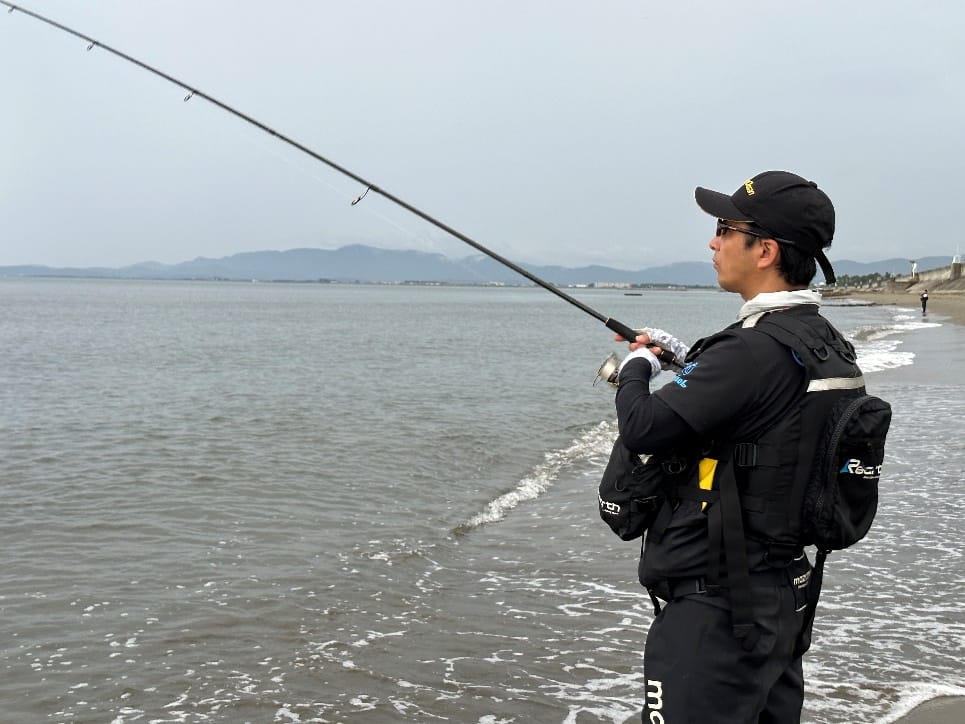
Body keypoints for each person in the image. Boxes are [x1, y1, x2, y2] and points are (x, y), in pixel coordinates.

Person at [613, 171, 854, 723]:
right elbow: (761, 419)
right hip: (780, 600)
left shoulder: (749, 351)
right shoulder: (822, 341)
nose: (712, 241)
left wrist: (636, 367)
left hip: (718, 613)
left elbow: (644, 427)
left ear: (765, 249)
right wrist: (689, 365)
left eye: (725, 228)